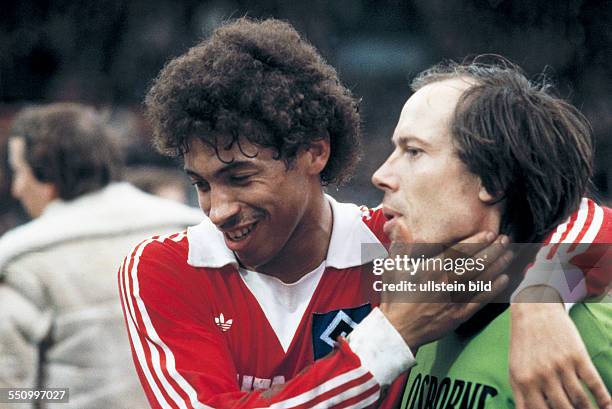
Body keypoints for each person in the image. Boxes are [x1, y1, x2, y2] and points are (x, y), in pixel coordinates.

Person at [121, 18, 607, 409]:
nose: (218, 211)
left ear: (314, 153)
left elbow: (574, 215)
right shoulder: (163, 268)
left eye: (241, 179)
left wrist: (541, 299)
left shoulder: (402, 254)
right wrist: (391, 339)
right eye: (201, 184)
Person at [370, 58, 612, 409]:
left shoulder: (585, 332)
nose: (380, 174)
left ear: (492, 181)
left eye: (414, 151)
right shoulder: (424, 315)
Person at [0, 103, 203, 408]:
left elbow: (12, 391)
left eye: (19, 172)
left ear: (47, 177)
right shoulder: (188, 231)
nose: (16, 189)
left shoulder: (24, 261)